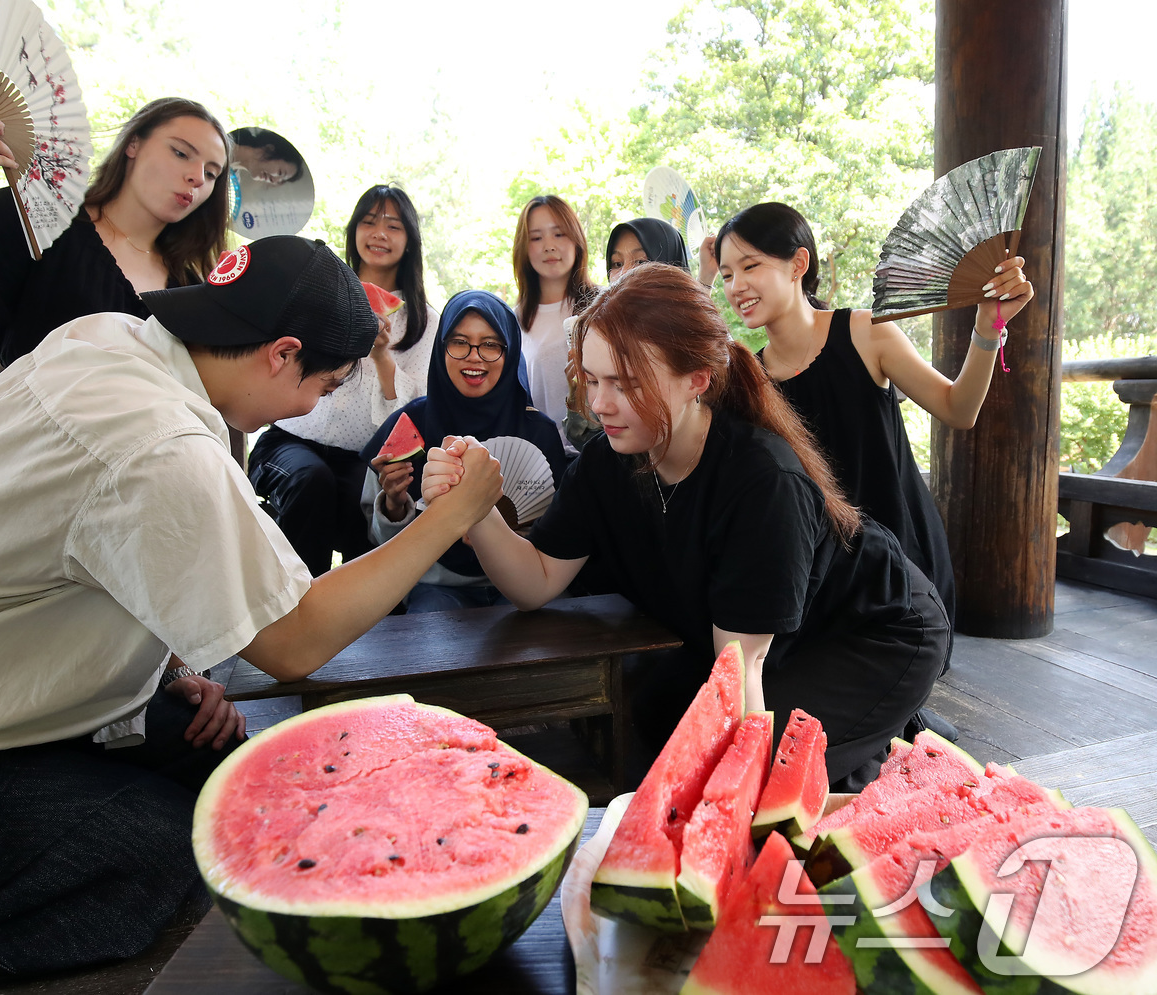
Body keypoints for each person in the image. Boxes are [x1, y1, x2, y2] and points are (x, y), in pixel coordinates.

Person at [0, 236, 501, 993]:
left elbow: (74, 541)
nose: (317, 406)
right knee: (166, 864)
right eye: (326, 384)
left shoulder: (106, 337)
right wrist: (450, 516)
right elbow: (294, 639)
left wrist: (161, 658)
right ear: (281, 353)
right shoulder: (159, 443)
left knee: (215, 765)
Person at [423, 264, 950, 789]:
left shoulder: (761, 480)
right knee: (650, 732)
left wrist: (734, 797)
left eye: (626, 384)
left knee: (765, 778)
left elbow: (739, 667)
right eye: (592, 379)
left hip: (874, 632)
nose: (601, 405)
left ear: (697, 379)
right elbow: (534, 582)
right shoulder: (608, 462)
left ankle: (885, 746)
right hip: (747, 642)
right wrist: (478, 509)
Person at [712, 202, 1035, 626]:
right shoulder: (750, 379)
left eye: (750, 266)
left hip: (904, 568)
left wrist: (989, 325)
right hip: (818, 579)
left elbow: (959, 409)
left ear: (798, 265)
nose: (737, 286)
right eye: (727, 274)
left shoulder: (866, 332)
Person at [0, 97, 232, 365]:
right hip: (37, 455)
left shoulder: (192, 286)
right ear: (133, 144)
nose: (197, 178)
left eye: (212, 173)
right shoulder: (37, 217)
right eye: (181, 153)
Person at [248, 185, 438, 575]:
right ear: (354, 231)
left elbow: (415, 413)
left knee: (363, 500)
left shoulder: (425, 322)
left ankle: (363, 621)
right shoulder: (319, 294)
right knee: (310, 480)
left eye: (393, 225)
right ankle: (296, 610)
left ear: (410, 240)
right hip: (291, 440)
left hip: (364, 457)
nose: (379, 233)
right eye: (369, 222)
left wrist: (381, 355)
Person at [360, 290, 567, 613]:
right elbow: (379, 543)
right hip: (437, 587)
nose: (474, 356)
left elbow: (559, 532)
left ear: (510, 352)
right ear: (440, 350)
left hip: (526, 585)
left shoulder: (539, 431)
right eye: (459, 342)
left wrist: (502, 533)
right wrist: (394, 506)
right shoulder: (410, 422)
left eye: (489, 344)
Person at [512, 195, 599, 455]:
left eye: (559, 234)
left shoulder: (603, 304)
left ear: (576, 240)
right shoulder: (513, 320)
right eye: (537, 238)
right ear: (524, 248)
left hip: (599, 451)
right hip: (538, 461)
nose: (549, 246)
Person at [228, 127, 305, 186]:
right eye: (280, 172)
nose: (274, 181)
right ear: (269, 149)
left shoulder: (232, 182)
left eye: (280, 181)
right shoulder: (223, 143)